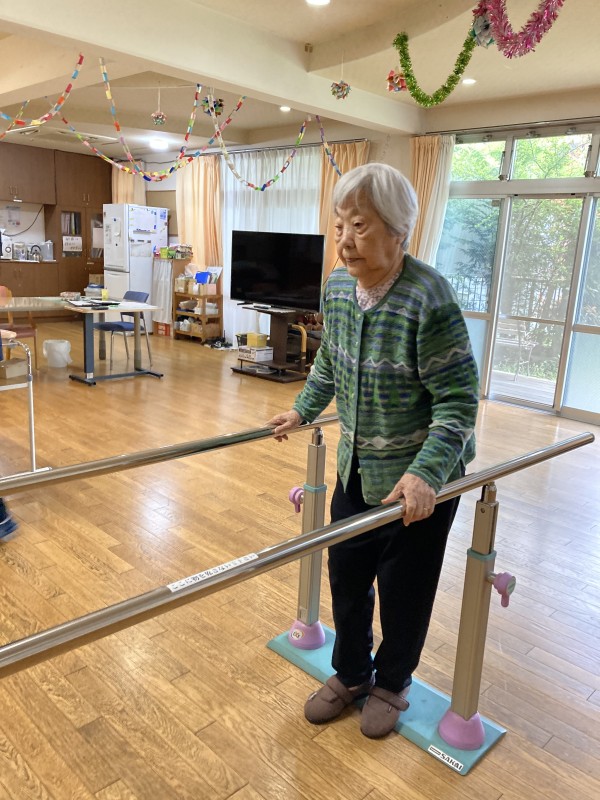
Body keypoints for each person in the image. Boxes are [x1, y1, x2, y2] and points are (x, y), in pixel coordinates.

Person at [268, 163, 479, 739]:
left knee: (405, 589)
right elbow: (331, 358)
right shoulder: (338, 287)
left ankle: (392, 682)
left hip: (420, 478)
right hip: (357, 467)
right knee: (346, 574)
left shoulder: (429, 297)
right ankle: (352, 673)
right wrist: (303, 409)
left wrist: (425, 474)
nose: (345, 240)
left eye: (359, 225)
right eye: (340, 225)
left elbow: (459, 401)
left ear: (399, 229)